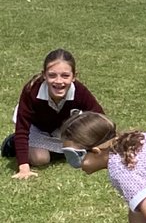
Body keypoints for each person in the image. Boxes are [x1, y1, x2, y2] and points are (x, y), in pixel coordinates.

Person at [3, 49, 105, 180]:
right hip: (36, 128)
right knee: (41, 158)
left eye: (65, 76)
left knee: (83, 147)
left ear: (74, 76)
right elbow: (23, 128)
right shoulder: (32, 91)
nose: (58, 81)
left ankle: (60, 149)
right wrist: (24, 168)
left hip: (61, 129)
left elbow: (100, 118)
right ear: (44, 75)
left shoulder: (79, 91)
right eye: (52, 75)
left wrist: (113, 146)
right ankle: (13, 142)